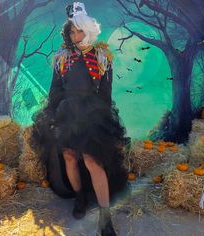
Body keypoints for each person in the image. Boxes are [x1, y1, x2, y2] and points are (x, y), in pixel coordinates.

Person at [31, 2, 130, 236]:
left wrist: (103, 122)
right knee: (69, 157)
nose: (76, 36)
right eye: (72, 32)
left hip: (93, 115)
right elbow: (55, 90)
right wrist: (54, 114)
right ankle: (80, 197)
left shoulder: (103, 57)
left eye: (80, 31)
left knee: (93, 161)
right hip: (67, 113)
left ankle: (105, 218)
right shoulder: (62, 59)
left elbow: (106, 94)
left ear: (89, 30)